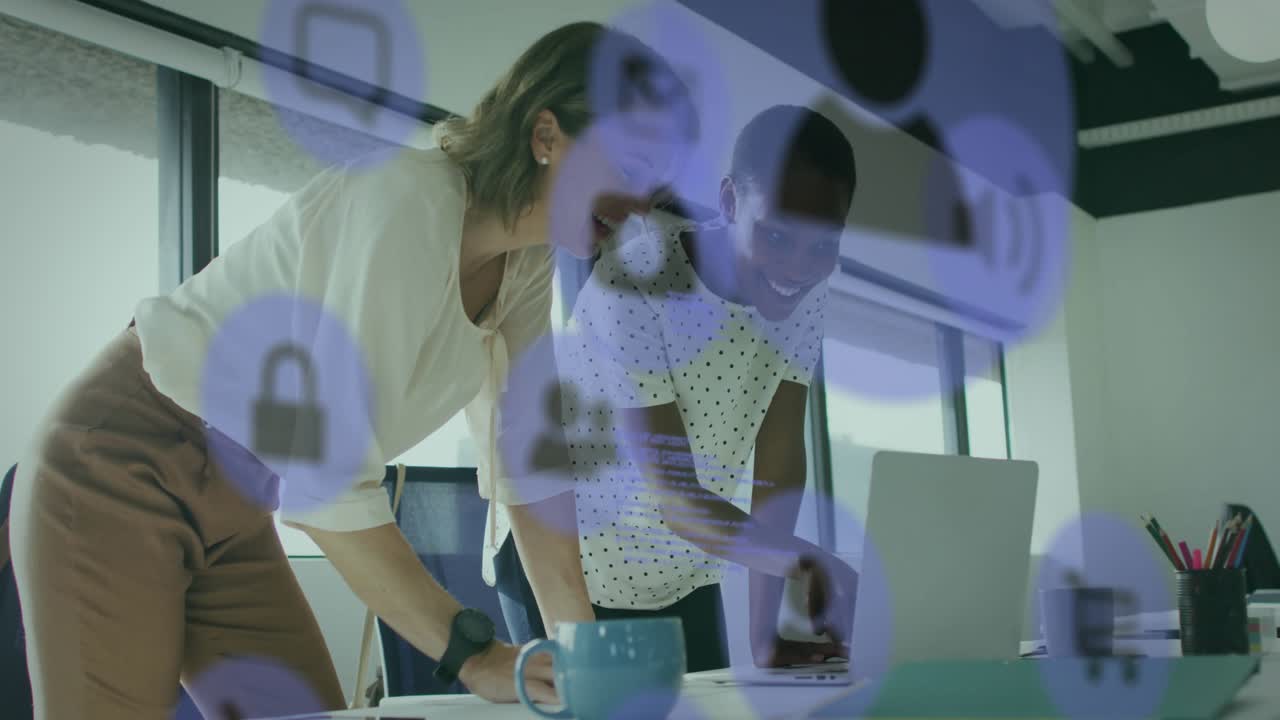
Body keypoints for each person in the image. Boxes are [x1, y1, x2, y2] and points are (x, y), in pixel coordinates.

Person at [9, 22, 683, 720]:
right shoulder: (405, 202)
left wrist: (586, 664)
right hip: (121, 460)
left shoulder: (527, 261)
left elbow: (530, 465)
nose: (638, 210)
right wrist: (474, 656)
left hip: (240, 499)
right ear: (547, 137)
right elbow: (325, 481)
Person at [495, 105, 860, 672]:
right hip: (572, 561)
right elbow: (675, 497)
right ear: (731, 202)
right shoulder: (640, 274)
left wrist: (765, 637)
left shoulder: (804, 292)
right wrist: (811, 563)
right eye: (777, 233)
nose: (798, 264)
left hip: (684, 569)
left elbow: (779, 467)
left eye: (821, 245)